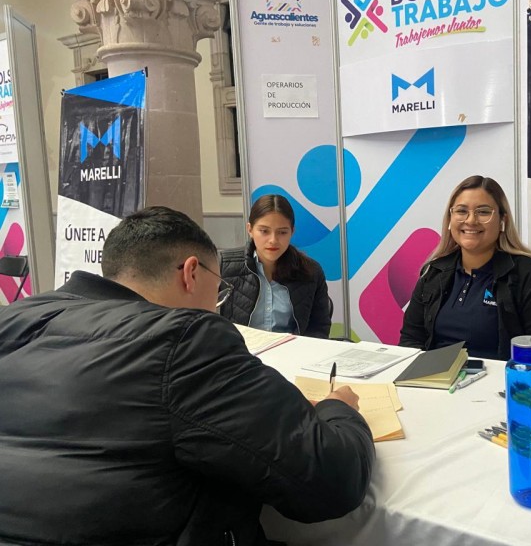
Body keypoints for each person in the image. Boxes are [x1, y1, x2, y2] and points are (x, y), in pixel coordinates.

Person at [0, 206, 374, 545]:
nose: (217, 304)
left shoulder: (15, 317)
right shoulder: (186, 338)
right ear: (192, 272)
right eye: (219, 290)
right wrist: (337, 409)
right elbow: (331, 480)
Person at [399, 175, 531, 367]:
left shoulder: (528, 275)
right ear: (450, 219)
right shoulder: (434, 272)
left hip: (503, 383)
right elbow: (410, 341)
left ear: (502, 221)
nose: (471, 220)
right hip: (434, 381)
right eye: (461, 211)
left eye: (483, 212)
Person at [220, 195, 331, 338]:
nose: (273, 240)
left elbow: (319, 328)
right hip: (240, 350)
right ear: (250, 229)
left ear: (292, 231)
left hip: (292, 351)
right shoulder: (224, 266)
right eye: (264, 231)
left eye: (282, 232)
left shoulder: (311, 272)